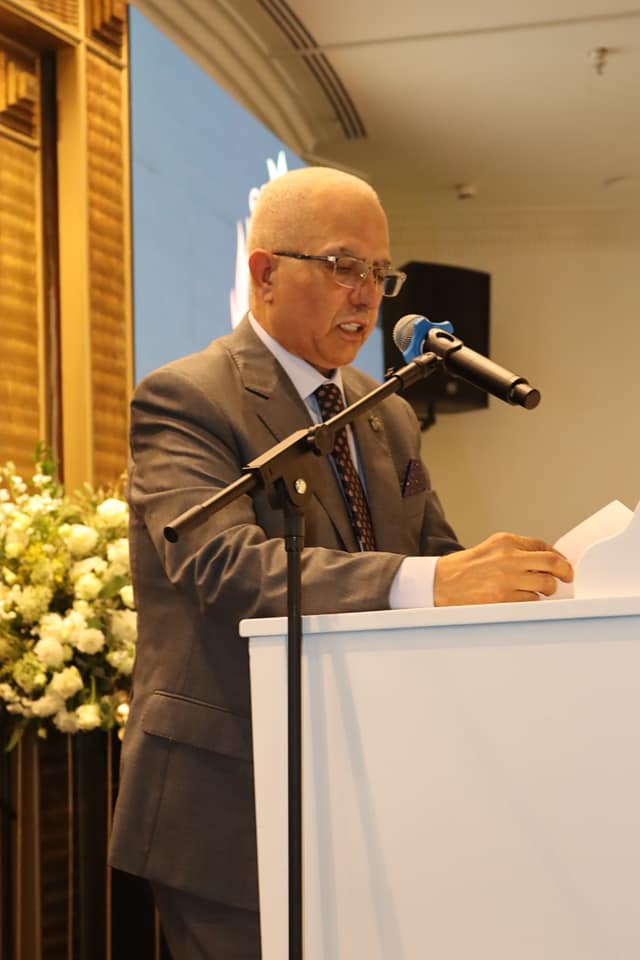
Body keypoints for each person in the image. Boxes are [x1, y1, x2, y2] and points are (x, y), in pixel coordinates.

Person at [109, 166, 572, 959]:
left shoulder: (386, 411)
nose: (367, 295)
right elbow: (225, 567)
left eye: (380, 273)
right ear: (264, 273)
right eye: (342, 266)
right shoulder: (188, 397)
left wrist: (526, 588)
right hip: (229, 801)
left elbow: (434, 560)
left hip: (369, 787)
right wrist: (433, 581)